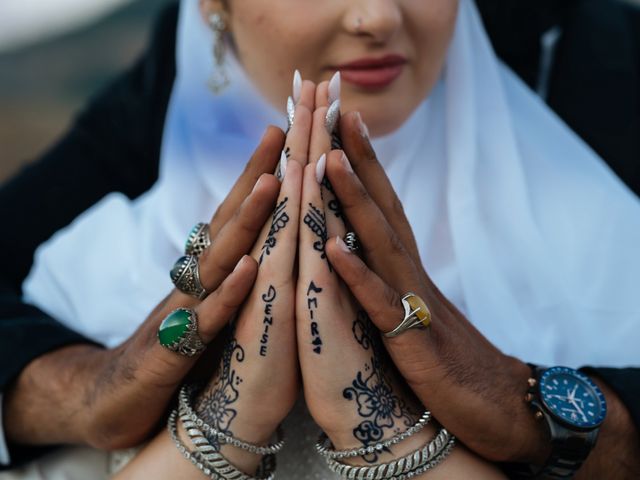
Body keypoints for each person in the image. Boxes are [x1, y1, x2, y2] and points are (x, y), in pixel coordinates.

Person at [0, 0, 639, 479]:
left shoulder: (600, 65)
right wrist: (85, 392)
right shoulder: (159, 107)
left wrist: (531, 409)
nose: (376, 17)